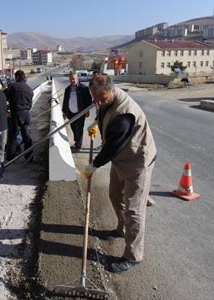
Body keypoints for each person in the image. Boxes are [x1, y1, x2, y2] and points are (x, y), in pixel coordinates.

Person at [84, 73, 157, 273]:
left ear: (112, 91)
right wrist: (95, 125)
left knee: (134, 210)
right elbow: (104, 113)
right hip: (121, 159)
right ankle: (121, 229)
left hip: (137, 160)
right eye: (95, 99)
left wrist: (93, 165)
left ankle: (133, 255)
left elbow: (113, 146)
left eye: (102, 99)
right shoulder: (106, 99)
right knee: (115, 195)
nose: (98, 102)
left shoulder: (125, 113)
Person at [4, 70, 34, 161]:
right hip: (26, 114)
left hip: (16, 114)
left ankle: (10, 157)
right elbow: (30, 103)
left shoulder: (13, 87)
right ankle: (29, 157)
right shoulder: (29, 88)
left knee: (12, 136)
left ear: (17, 77)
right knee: (27, 136)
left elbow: (3, 97)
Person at [62, 71, 93, 153]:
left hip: (80, 112)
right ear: (69, 79)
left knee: (79, 128)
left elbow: (88, 100)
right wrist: (64, 112)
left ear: (77, 78)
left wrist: (87, 110)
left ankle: (78, 146)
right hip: (70, 113)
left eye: (74, 79)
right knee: (73, 128)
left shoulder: (84, 88)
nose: (73, 80)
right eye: (71, 79)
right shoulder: (67, 89)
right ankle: (76, 142)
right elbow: (65, 101)